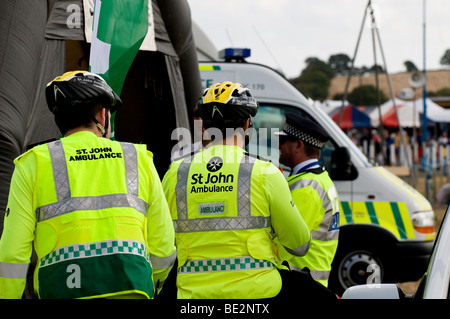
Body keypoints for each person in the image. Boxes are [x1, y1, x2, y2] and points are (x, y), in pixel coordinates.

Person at [0, 71, 176, 299]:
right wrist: (151, 283)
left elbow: (13, 252)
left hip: (61, 290)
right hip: (133, 288)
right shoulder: (138, 159)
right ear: (103, 116)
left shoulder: (34, 163)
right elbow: (163, 244)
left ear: (59, 119)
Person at [162, 82, 311, 299]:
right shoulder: (265, 172)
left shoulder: (176, 173)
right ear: (247, 123)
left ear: (203, 125)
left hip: (193, 295)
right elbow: (300, 244)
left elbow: (162, 241)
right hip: (258, 294)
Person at [276, 112, 340, 288]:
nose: (279, 146)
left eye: (283, 141)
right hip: (309, 283)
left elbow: (287, 239)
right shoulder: (319, 180)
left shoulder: (307, 188)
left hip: (300, 285)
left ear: (298, 145)